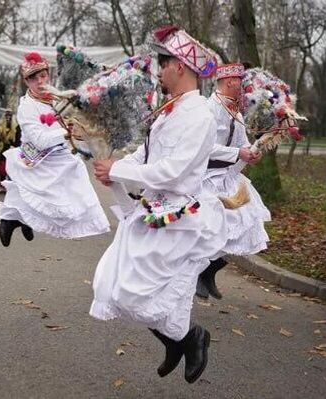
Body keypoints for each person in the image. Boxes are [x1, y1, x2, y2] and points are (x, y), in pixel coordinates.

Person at [90, 26, 227, 383]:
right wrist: (117, 171)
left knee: (141, 293)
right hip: (153, 211)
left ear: (180, 66)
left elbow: (175, 170)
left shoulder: (199, 115)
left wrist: (118, 168)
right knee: (113, 286)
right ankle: (179, 339)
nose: (159, 70)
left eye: (163, 63)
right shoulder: (168, 110)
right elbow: (146, 154)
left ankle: (189, 337)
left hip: (179, 217)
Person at [0, 52, 109, 246]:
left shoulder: (54, 96)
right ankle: (11, 221)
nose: (40, 81)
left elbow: (69, 114)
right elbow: (39, 139)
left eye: (43, 76)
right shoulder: (27, 106)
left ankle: (25, 220)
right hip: (39, 158)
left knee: (75, 181)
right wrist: (65, 133)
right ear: (27, 82)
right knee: (42, 193)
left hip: (59, 152)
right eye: (34, 78)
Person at [196, 63, 270, 299]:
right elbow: (204, 147)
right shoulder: (208, 109)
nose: (244, 86)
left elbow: (242, 143)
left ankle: (208, 272)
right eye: (241, 81)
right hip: (205, 179)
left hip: (228, 178)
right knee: (212, 229)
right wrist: (238, 154)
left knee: (247, 225)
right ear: (229, 82)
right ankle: (194, 274)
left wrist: (252, 151)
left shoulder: (236, 112)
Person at [0, 109, 18, 192]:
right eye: (6, 116)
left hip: (12, 151)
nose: (8, 117)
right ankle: (2, 183)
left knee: (11, 170)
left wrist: (14, 145)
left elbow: (18, 140)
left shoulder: (16, 127)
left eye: (9, 116)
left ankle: (11, 185)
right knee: (2, 169)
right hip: (3, 150)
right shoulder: (1, 126)